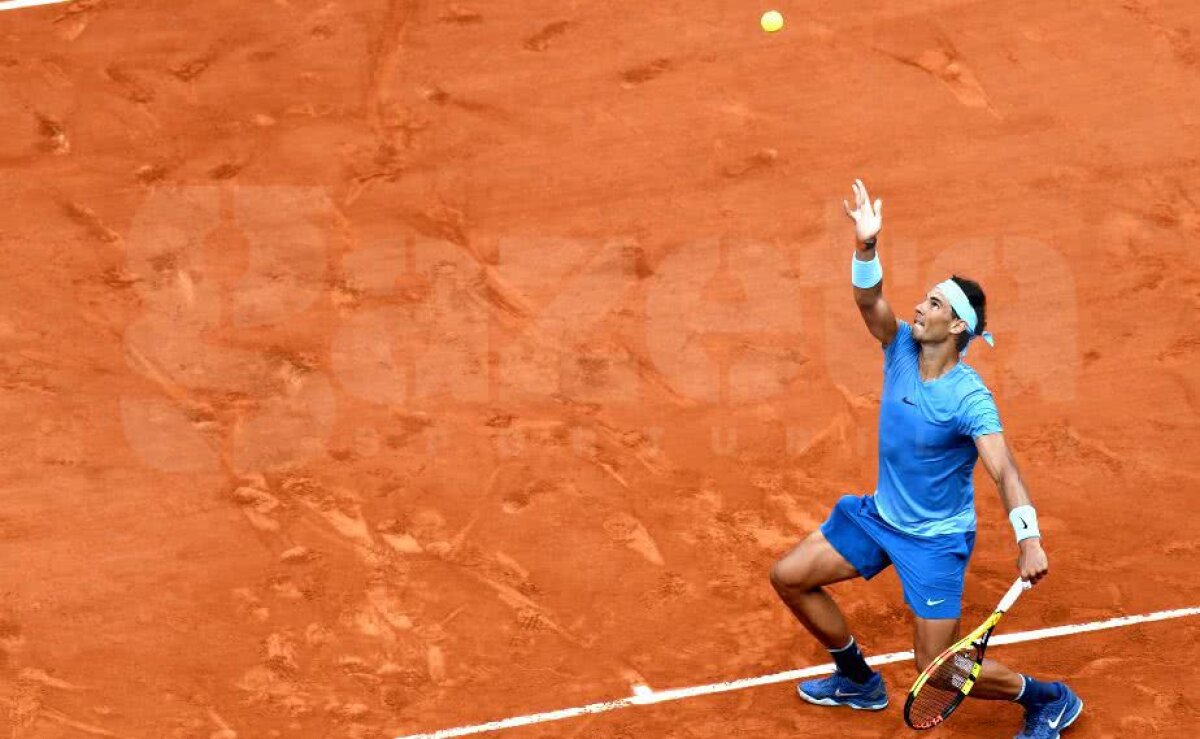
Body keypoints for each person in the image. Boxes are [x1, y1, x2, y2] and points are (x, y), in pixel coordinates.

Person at [769, 180, 1084, 738]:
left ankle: (1048, 699)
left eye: (935, 303)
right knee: (789, 577)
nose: (920, 305)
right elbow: (870, 301)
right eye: (925, 298)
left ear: (957, 325)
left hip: (934, 542)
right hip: (879, 516)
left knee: (938, 671)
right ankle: (857, 680)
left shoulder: (970, 399)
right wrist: (866, 246)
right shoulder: (900, 349)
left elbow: (1004, 469)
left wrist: (1028, 536)